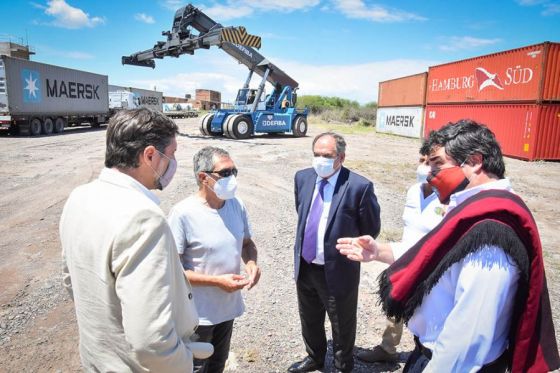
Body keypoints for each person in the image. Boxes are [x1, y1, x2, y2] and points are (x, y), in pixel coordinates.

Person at [337, 120, 560, 372]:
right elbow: (434, 257)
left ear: (475, 161)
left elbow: (467, 337)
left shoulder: (491, 233)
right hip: (428, 354)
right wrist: (379, 251)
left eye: (438, 163)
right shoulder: (473, 209)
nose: (431, 174)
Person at [60, 108, 212, 372]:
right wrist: (184, 363)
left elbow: (71, 279)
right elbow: (152, 342)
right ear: (150, 155)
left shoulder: (79, 196)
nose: (173, 162)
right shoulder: (143, 217)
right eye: (172, 154)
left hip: (97, 359)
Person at [289, 132, 381, 373]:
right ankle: (315, 358)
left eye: (327, 156)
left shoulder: (359, 186)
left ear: (341, 157)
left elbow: (370, 229)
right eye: (316, 155)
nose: (320, 160)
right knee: (309, 318)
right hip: (306, 265)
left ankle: (342, 366)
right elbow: (303, 214)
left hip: (338, 270)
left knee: (342, 323)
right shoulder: (303, 178)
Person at [168, 146, 261, 373]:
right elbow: (172, 270)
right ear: (203, 177)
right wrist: (217, 282)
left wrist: (251, 264)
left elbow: (247, 244)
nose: (232, 178)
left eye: (234, 172)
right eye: (225, 173)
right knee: (194, 368)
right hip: (196, 316)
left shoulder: (236, 205)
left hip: (227, 309)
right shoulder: (183, 214)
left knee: (217, 365)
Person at [357, 141, 444, 364]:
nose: (424, 166)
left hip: (432, 266)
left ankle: (430, 355)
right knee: (394, 302)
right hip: (404, 258)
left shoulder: (447, 198)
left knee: (426, 312)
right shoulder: (413, 191)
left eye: (431, 162)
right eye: (421, 161)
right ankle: (388, 348)